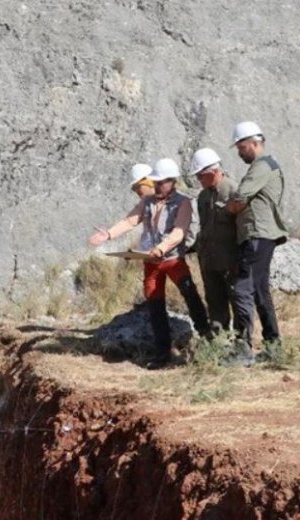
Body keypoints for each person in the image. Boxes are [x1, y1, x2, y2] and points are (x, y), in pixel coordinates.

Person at [88, 159, 211, 368]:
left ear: (172, 182)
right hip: (151, 262)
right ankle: (162, 354)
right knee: (155, 306)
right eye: (155, 183)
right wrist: (108, 234)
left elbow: (179, 231)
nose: (156, 187)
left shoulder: (183, 203)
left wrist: (161, 249)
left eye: (161, 183)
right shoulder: (147, 202)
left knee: (191, 298)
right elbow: (130, 221)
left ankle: (208, 340)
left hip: (172, 261)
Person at [225, 122, 288, 365]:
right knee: (260, 292)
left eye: (242, 147)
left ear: (254, 143)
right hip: (261, 235)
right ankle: (273, 346)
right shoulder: (265, 166)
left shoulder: (262, 166)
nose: (240, 152)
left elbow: (240, 198)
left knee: (242, 289)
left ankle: (242, 350)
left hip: (257, 235)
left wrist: (230, 208)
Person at [190, 148, 238, 336]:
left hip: (230, 260)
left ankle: (242, 343)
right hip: (209, 260)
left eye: (200, 176)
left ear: (212, 172)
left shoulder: (234, 190)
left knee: (238, 302)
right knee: (215, 302)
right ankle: (219, 342)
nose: (198, 181)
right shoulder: (203, 196)